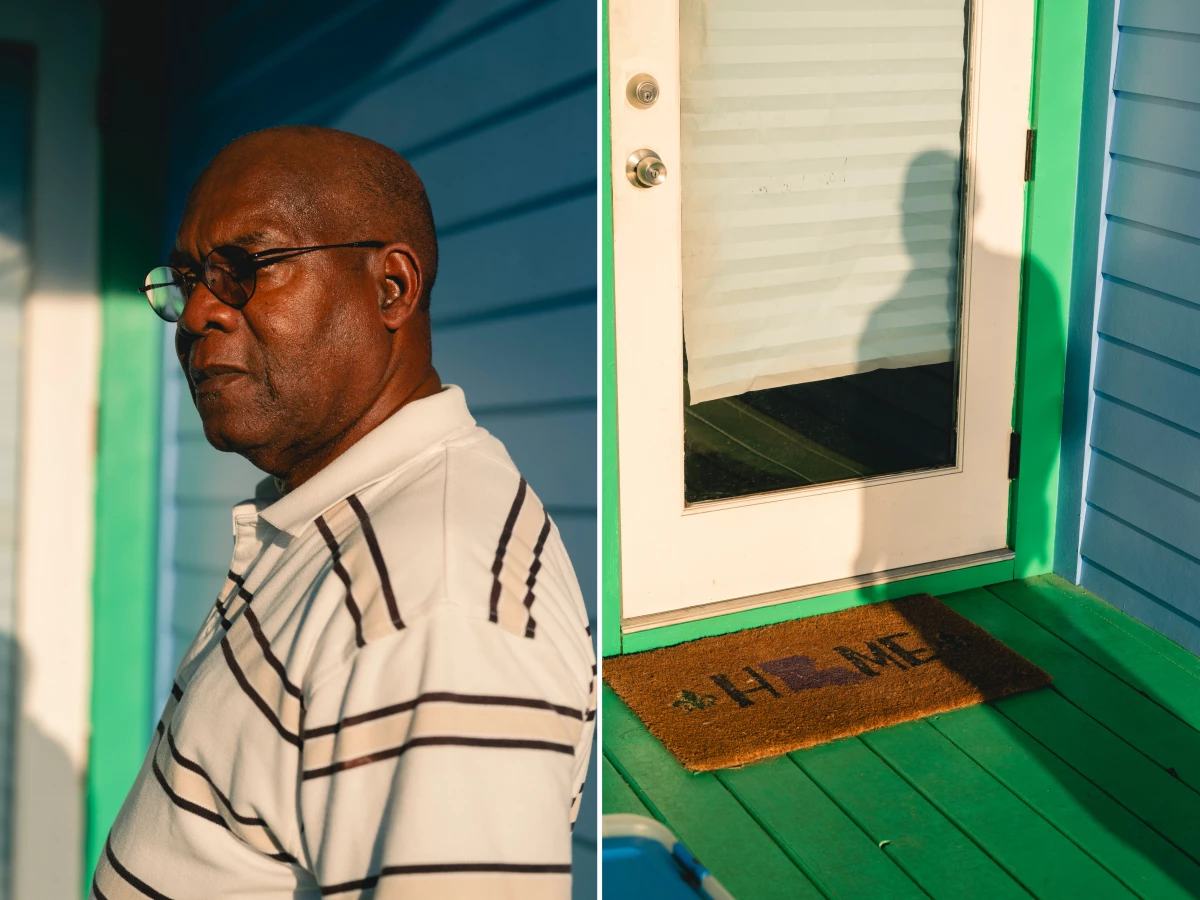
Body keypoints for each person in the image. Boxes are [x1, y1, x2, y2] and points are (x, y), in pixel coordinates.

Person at [91, 126, 595, 899]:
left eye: (243, 270)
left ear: (391, 288)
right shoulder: (333, 525)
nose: (196, 315)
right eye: (190, 278)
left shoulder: (432, 611)